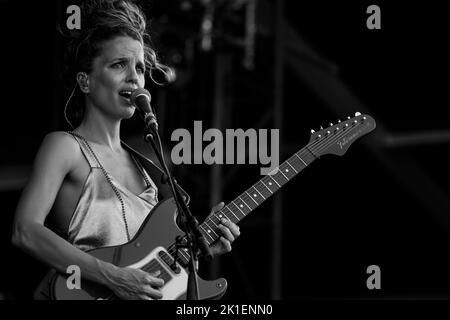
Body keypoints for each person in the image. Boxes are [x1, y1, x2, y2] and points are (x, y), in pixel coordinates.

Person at [11, 0, 240, 300]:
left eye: (140, 68)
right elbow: (25, 231)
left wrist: (198, 246)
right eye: (119, 64)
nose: (134, 76)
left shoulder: (147, 170)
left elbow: (144, 263)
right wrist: (114, 277)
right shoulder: (65, 147)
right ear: (85, 81)